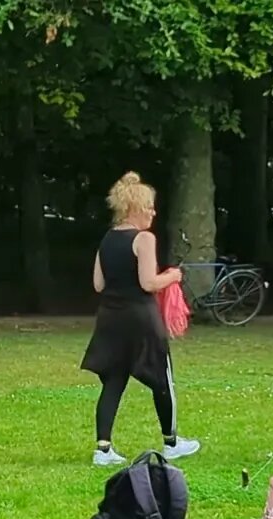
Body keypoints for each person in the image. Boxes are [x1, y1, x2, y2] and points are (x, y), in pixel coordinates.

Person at [80, 171, 200, 466]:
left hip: (110, 318)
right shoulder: (144, 238)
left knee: (113, 380)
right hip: (140, 318)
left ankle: (103, 448)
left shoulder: (108, 238)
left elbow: (98, 283)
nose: (153, 213)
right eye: (149, 207)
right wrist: (172, 275)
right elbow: (148, 282)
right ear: (135, 209)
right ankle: (172, 442)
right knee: (163, 377)